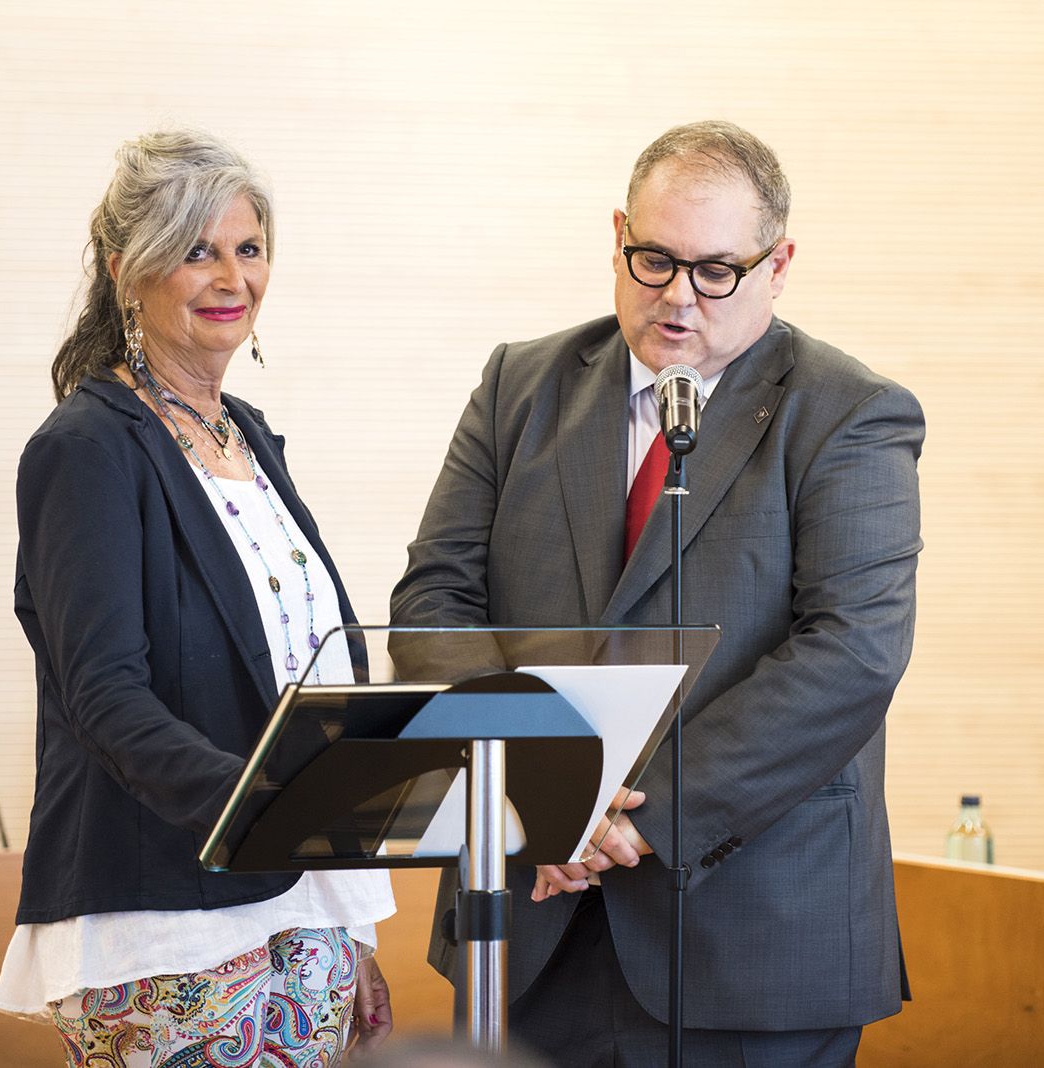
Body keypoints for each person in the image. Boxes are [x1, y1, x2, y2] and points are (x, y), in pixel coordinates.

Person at [390, 120, 923, 1066]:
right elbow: (436, 599)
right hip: (529, 921)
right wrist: (536, 796)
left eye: (716, 270)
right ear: (617, 237)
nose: (679, 296)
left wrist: (638, 815)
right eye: (655, 261)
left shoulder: (849, 413)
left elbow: (852, 655)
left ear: (777, 265)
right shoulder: (520, 387)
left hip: (750, 937)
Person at [0, 128, 394, 1067]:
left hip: (303, 905)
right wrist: (257, 806)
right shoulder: (86, 450)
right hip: (166, 922)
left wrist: (352, 922)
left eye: (249, 248)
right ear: (127, 271)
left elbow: (305, 678)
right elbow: (105, 697)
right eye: (196, 250)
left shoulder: (248, 435)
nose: (231, 277)